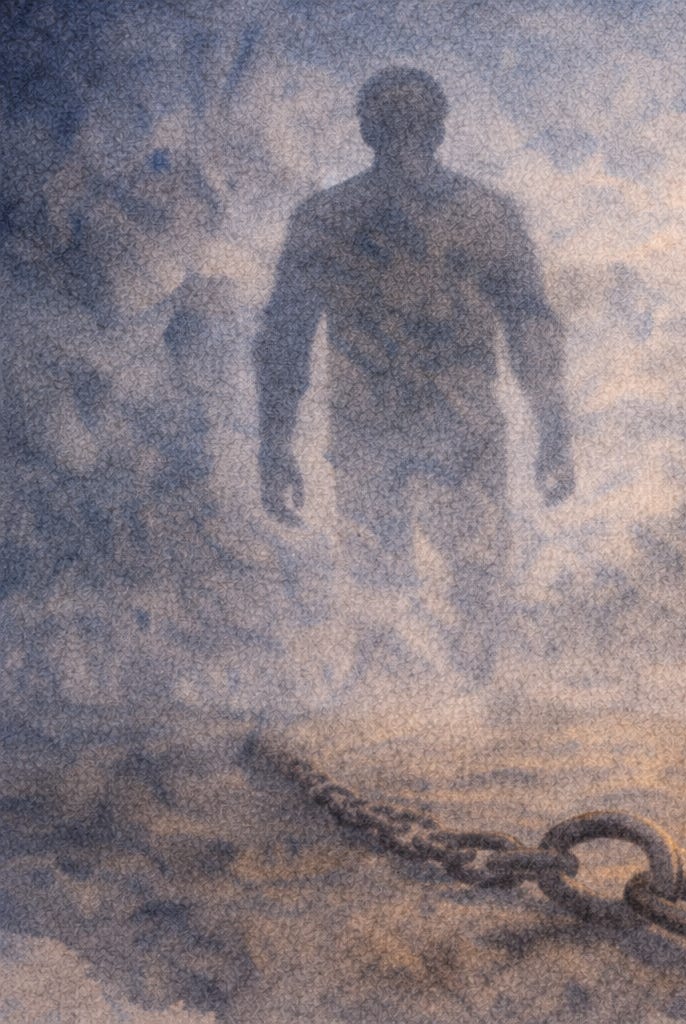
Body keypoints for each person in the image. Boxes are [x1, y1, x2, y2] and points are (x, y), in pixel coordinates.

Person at [253, 66, 573, 680]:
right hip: (396, 430)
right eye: (392, 121)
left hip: (442, 429)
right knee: (408, 585)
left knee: (450, 581)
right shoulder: (472, 215)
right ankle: (415, 701)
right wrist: (273, 444)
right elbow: (284, 340)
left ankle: (448, 700)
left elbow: (532, 327)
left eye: (410, 121)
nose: (402, 135)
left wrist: (555, 430)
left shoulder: (339, 216)